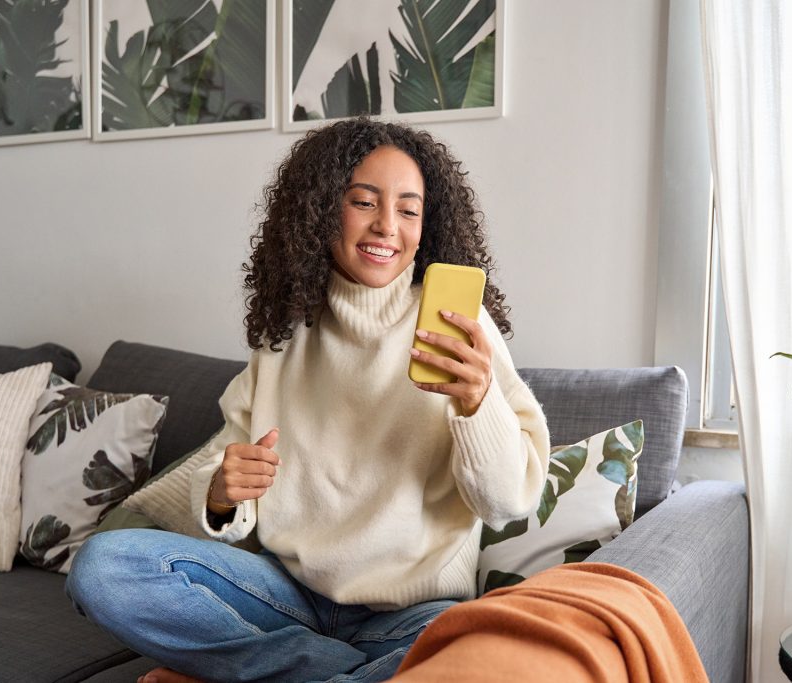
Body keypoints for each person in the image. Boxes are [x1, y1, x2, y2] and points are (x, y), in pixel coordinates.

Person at [65, 117, 550, 683]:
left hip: (411, 614)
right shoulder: (285, 333)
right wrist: (222, 493)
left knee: (479, 656)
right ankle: (341, 673)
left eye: (409, 209)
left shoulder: (460, 327)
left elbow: (507, 501)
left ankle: (245, 673)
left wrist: (478, 405)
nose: (387, 226)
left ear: (428, 224)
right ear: (321, 210)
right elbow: (229, 469)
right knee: (102, 568)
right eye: (363, 202)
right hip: (286, 596)